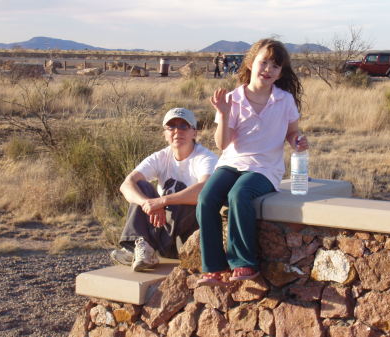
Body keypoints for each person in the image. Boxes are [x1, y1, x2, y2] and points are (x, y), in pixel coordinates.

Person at [196, 38, 308, 286]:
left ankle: (244, 264)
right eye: (264, 62)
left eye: (275, 66)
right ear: (250, 63)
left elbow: (292, 132)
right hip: (231, 162)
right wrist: (224, 114)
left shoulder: (284, 100)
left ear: (280, 73)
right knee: (206, 199)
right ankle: (213, 267)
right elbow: (222, 144)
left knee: (239, 195)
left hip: (264, 168)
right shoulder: (233, 99)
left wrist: (296, 140)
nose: (268, 69)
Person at [110, 108, 218, 272]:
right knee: (141, 186)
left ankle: (143, 248)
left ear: (194, 132)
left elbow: (206, 189)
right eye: (171, 127)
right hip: (164, 227)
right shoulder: (160, 157)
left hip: (188, 237)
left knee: (180, 196)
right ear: (165, 134)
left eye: (184, 126)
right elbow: (126, 184)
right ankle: (144, 248)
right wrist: (148, 204)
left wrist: (163, 201)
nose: (177, 131)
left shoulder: (205, 158)